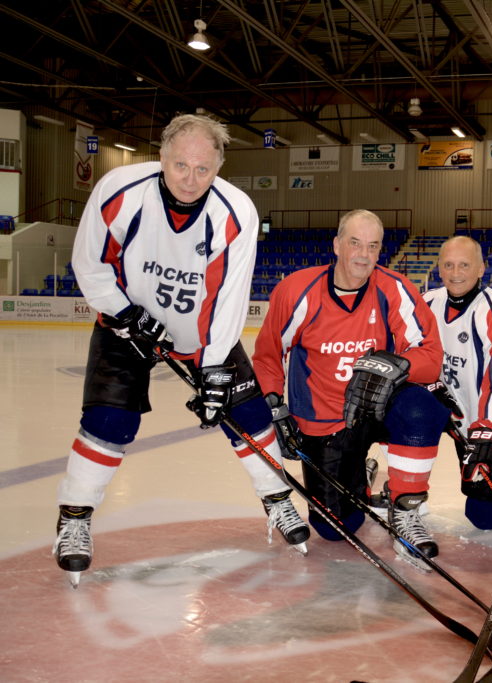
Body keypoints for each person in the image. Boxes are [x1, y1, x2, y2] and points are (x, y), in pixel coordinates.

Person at [53, 114, 309, 588]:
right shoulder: (120, 190)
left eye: (203, 169)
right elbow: (89, 263)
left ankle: (277, 499)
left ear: (219, 167)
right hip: (127, 326)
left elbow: (229, 298)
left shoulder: (236, 212)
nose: (190, 180)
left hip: (200, 333)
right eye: (180, 166)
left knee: (249, 415)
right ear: (162, 157)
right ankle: (74, 516)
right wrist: (124, 313)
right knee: (109, 420)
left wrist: (213, 370)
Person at [252, 209, 446, 565]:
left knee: (423, 408)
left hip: (378, 407)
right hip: (326, 420)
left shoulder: (394, 288)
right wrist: (275, 404)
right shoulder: (296, 290)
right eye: (355, 243)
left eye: (373, 246)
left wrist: (398, 366)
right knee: (336, 527)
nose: (363, 254)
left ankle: (405, 508)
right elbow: (267, 356)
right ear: (337, 245)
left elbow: (431, 357)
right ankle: (361, 475)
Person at [423, 236, 492, 531]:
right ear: (439, 268)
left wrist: (487, 431)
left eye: (464, 265)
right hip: (452, 411)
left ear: (481, 269)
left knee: (484, 517)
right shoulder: (427, 303)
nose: (455, 273)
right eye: (448, 265)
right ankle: (409, 493)